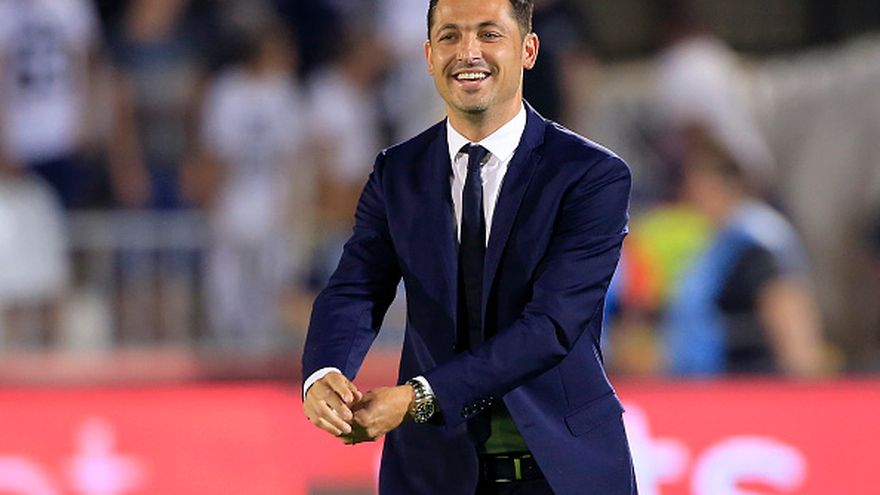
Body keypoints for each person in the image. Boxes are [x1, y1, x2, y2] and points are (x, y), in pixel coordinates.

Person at [302, 1, 637, 493]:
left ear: (528, 50)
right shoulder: (398, 173)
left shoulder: (590, 176)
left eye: (489, 34)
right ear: (428, 55)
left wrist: (418, 397)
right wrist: (323, 372)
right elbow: (356, 287)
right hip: (430, 475)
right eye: (450, 36)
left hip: (561, 473)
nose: (468, 52)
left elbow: (550, 327)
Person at [663, 125, 824, 377]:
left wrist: (803, 379)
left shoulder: (758, 240)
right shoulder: (715, 244)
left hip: (753, 387)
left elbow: (790, 319)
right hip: (712, 383)